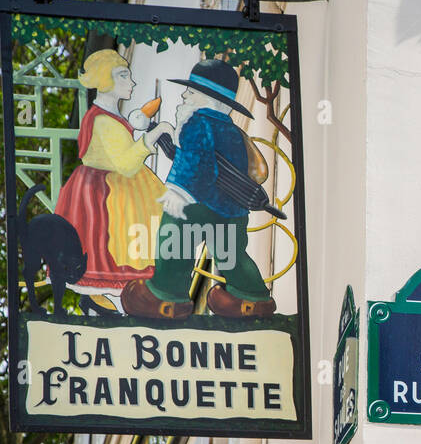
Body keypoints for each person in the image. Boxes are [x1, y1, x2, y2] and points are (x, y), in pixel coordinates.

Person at [121, 58, 276, 320]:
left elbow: (195, 161)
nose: (184, 95)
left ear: (207, 98)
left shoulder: (197, 122)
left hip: (196, 204)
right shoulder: (232, 131)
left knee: (174, 244)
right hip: (232, 209)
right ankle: (252, 299)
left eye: (191, 91)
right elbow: (202, 158)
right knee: (231, 255)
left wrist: (177, 194)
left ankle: (167, 298)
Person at [55, 49, 171, 310]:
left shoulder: (109, 117)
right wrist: (153, 136)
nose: (131, 82)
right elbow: (126, 164)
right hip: (108, 193)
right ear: (105, 80)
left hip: (107, 187)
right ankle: (102, 297)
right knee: (109, 246)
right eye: (123, 76)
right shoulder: (103, 122)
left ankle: (101, 299)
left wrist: (137, 125)